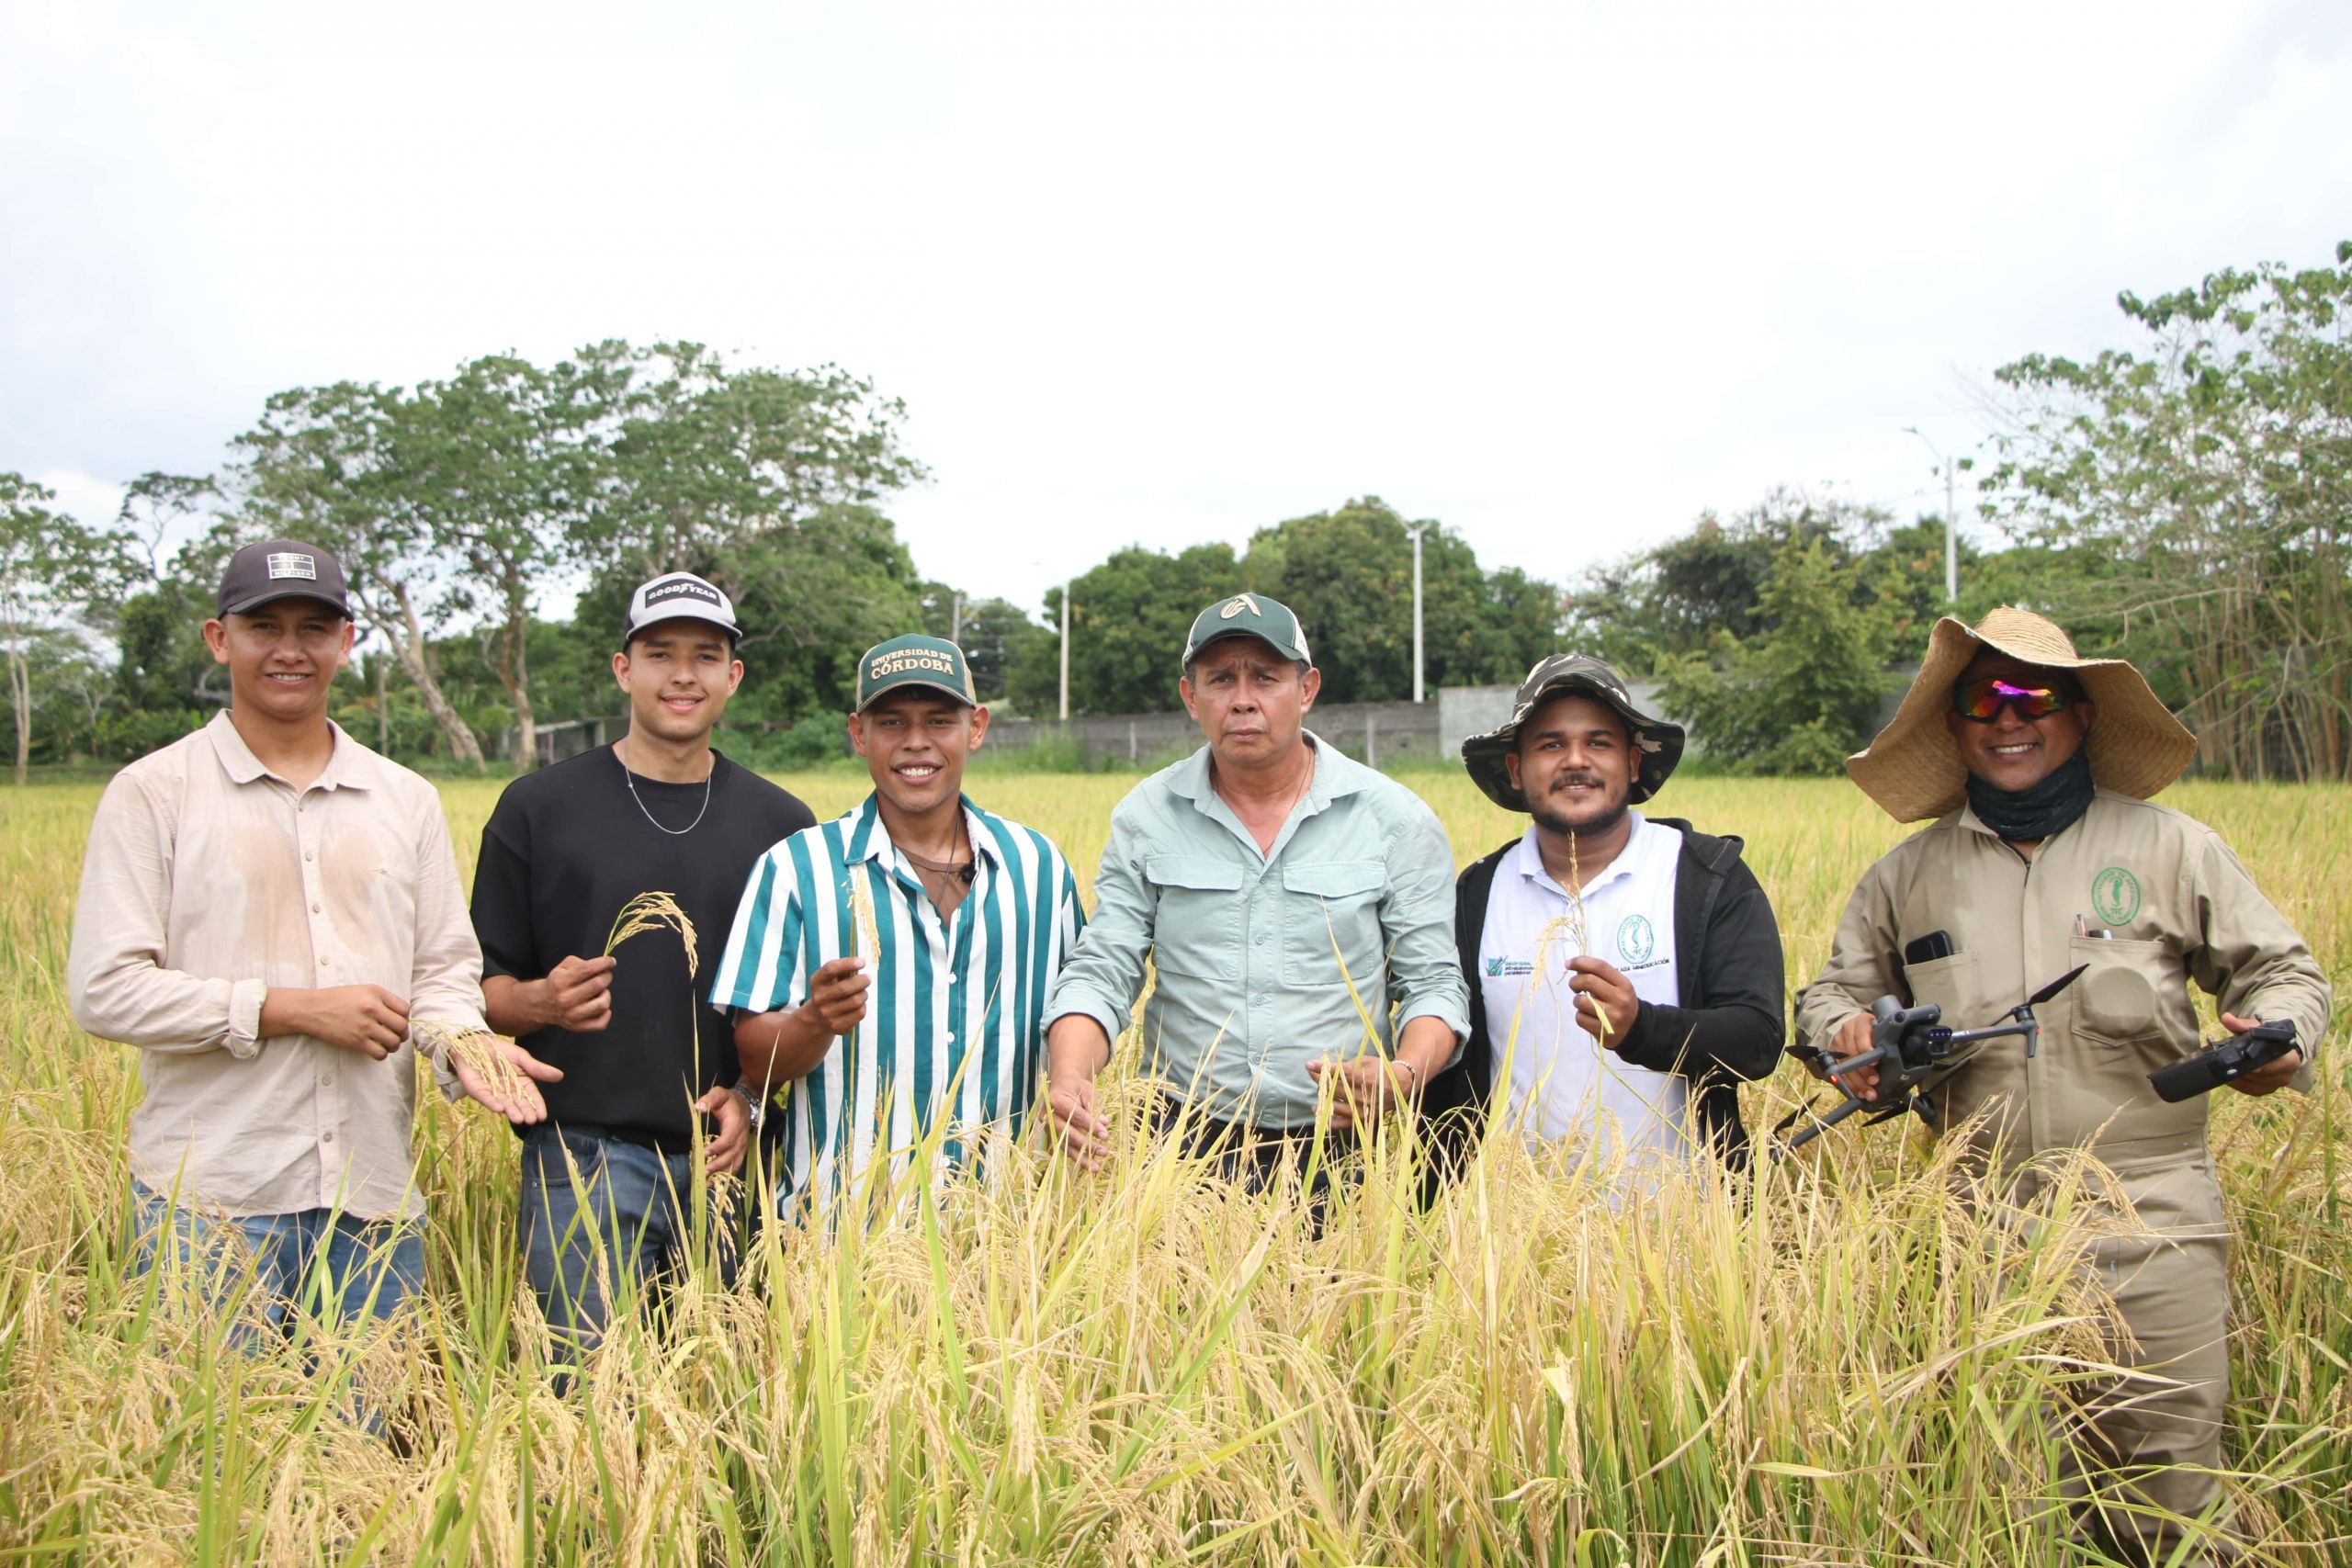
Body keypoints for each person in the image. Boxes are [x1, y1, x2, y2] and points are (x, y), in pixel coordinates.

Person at [1794, 606, 2332, 1566]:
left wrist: (2279, 1040)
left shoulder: (2172, 848)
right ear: (1953, 726)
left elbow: (2283, 974)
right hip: (1977, 1230)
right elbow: (1833, 994)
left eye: (2031, 695)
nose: (2007, 719)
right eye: (1980, 700)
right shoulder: (1907, 875)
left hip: (2153, 1223)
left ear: (2080, 715)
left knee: (2166, 1505)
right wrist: (1852, 1030)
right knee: (2008, 1506)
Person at [67, 538, 552, 1334]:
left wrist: (462, 1040)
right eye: (265, 626)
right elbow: (104, 989)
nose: (291, 650)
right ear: (220, 639)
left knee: (358, 1445)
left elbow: (442, 969)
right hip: (210, 1204)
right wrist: (288, 1008)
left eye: (314, 628)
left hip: (372, 1201)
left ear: (347, 643)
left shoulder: (405, 799)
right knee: (214, 1456)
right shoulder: (153, 793)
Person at [469, 571, 814, 1348]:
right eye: (659, 652)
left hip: (735, 1162)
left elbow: (803, 1011)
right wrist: (543, 1004)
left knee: (728, 1397)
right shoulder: (539, 808)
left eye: (706, 654)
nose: (682, 674)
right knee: (587, 1406)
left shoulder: (782, 824)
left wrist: (751, 1095)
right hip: (583, 1160)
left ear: (734, 675)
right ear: (623, 668)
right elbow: (476, 994)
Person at [1040, 592, 1468, 1185]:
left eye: (1266, 678)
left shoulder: (1395, 819)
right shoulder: (1147, 815)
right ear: (1192, 697)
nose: (1243, 700)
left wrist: (1407, 1071)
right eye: (1220, 680)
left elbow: (1433, 983)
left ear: (1307, 689)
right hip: (1180, 1143)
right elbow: (1104, 969)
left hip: (1342, 1147)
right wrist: (1069, 1076)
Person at [710, 635, 1085, 1217]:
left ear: (977, 727)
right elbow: (755, 1060)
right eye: (892, 722)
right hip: (840, 1233)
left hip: (1013, 1243)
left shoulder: (1038, 868)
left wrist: (1072, 1082)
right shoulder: (795, 869)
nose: (916, 743)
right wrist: (813, 1021)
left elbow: (1080, 1006)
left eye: (940, 720)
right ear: (859, 734)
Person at [1420, 654, 1784, 1186]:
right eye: (1550, 744)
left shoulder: (1704, 878)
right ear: (1517, 770)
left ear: (1634, 763)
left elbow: (1758, 1038)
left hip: (1684, 1235)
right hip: (1509, 1236)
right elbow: (1445, 1055)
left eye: (1599, 742)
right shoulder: (1479, 891)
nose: (1575, 760)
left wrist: (1643, 1027)